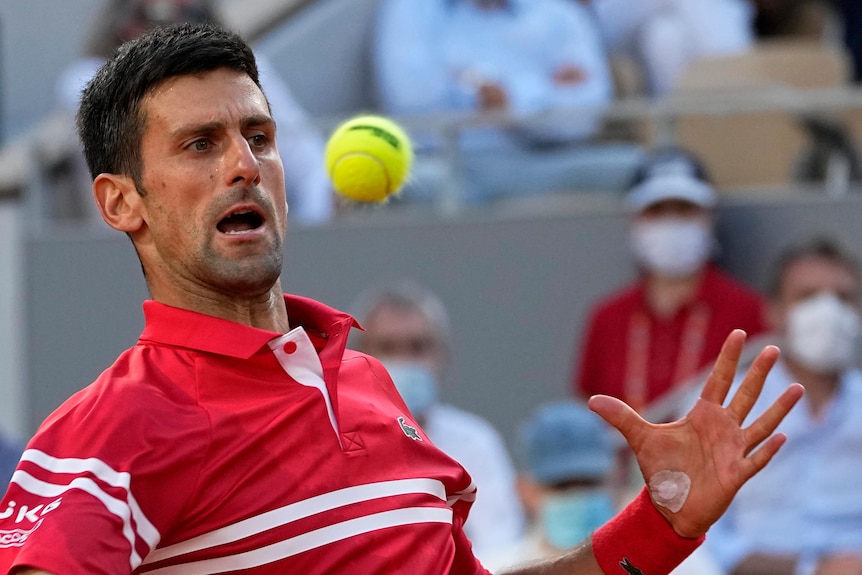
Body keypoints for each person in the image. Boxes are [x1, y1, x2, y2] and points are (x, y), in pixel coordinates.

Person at [0, 22, 803, 575]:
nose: (244, 164)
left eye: (259, 136)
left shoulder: (369, 384)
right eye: (200, 144)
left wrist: (660, 525)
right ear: (119, 202)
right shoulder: (111, 429)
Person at [53, 0, 334, 225]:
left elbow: (309, 165)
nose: (245, 166)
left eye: (256, 139)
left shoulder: (246, 74)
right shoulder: (86, 80)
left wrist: (307, 233)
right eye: (150, 19)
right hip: (125, 247)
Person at [372, 0, 643, 203]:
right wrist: (545, 87)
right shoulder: (423, 14)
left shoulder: (559, 15)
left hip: (545, 159)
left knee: (638, 167)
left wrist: (513, 99)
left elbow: (586, 115)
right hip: (456, 165)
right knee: (408, 185)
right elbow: (413, 103)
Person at [703, 236, 862, 575]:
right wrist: (809, 569)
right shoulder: (723, 403)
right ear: (773, 311)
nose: (828, 312)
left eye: (843, 298)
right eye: (807, 297)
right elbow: (698, 528)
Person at [571, 147, 769, 416]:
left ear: (710, 218)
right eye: (657, 210)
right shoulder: (607, 318)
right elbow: (588, 410)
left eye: (685, 210)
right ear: (634, 221)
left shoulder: (748, 311)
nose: (671, 223)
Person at [350, 280, 526, 562]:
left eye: (418, 347)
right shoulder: (338, 442)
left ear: (442, 356)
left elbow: (501, 544)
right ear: (358, 357)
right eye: (388, 347)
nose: (404, 360)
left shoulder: (475, 442)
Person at [488, 400, 723, 575]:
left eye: (590, 482)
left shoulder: (677, 564)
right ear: (525, 491)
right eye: (562, 486)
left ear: (616, 481)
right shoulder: (496, 568)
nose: (578, 496)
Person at [590, 0, 755, 97]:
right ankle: (737, 85)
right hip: (594, 24)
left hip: (655, 26)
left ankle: (674, 126)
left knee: (664, 37)